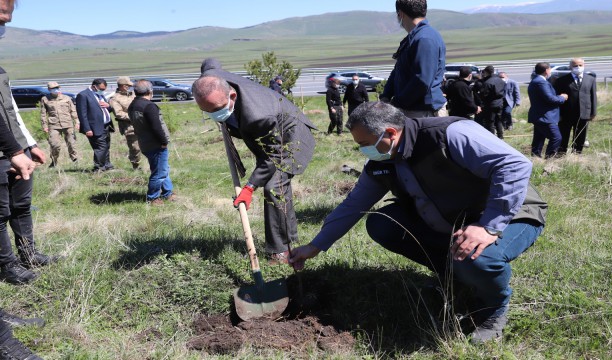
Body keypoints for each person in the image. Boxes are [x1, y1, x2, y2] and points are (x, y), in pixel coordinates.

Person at [289, 101, 547, 343]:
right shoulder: (383, 160)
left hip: (511, 214)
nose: (362, 150)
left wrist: (489, 225)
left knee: (476, 258)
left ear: (390, 132)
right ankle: (454, 276)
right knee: (382, 222)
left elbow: (514, 164)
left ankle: (493, 307)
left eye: (365, 143)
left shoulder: (449, 134)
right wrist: (317, 245)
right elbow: (354, 204)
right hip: (453, 220)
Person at [195, 58, 316, 264]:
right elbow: (211, 63)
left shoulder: (258, 116)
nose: (215, 114)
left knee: (274, 187)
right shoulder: (210, 79)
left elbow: (273, 155)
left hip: (289, 137)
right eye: (209, 111)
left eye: (218, 108)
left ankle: (282, 250)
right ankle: (285, 239)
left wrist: (250, 187)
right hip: (267, 135)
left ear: (232, 95)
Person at [0, 1, 49, 357]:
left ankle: (28, 255)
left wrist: (27, 144)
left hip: (11, 149)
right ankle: (9, 266)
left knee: (21, 206)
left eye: (7, 21)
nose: (3, 27)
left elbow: (10, 109)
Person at [380, 0, 446, 118]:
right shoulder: (414, 37)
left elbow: (422, 80)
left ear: (400, 14)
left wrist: (397, 102)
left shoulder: (425, 38)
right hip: (412, 109)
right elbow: (398, 70)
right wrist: (386, 95)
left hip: (423, 112)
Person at [128, 80, 174, 205]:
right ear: (150, 91)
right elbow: (156, 127)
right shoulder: (149, 106)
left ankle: (168, 193)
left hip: (144, 142)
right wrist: (163, 141)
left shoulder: (133, 105)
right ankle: (153, 198)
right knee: (159, 173)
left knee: (162, 169)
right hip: (155, 143)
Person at [553, 58, 597, 155]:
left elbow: (593, 96)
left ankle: (577, 154)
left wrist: (593, 112)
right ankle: (561, 153)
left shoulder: (590, 79)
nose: (578, 67)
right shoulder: (561, 80)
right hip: (566, 114)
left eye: (580, 65)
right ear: (570, 67)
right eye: (575, 65)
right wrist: (557, 114)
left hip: (583, 113)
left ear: (584, 65)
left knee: (580, 135)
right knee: (564, 135)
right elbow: (556, 98)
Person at [528, 62, 568, 158]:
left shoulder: (535, 81)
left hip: (539, 116)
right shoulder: (541, 82)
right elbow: (550, 98)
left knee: (539, 139)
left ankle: (535, 158)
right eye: (550, 69)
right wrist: (562, 97)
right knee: (556, 137)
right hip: (544, 116)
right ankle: (549, 158)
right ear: (547, 70)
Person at [76, 78, 115, 172]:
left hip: (105, 125)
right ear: (94, 86)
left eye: (104, 89)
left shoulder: (99, 95)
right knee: (100, 147)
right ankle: (98, 168)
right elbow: (82, 114)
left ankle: (107, 164)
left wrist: (108, 106)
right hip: (93, 127)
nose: (102, 91)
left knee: (106, 145)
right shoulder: (83, 95)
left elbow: (105, 109)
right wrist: (87, 129)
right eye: (101, 89)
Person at [40, 81, 79, 167]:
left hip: (67, 124)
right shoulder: (45, 99)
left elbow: (73, 110)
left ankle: (75, 160)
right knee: (55, 145)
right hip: (54, 125)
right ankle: (54, 161)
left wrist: (77, 122)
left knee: (71, 143)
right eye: (53, 88)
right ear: (49, 89)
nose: (55, 89)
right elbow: (43, 114)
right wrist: (44, 126)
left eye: (57, 88)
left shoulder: (67, 98)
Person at [109, 76, 141, 170]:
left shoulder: (133, 94)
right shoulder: (115, 99)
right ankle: (136, 166)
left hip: (141, 124)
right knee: (135, 147)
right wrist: (133, 117)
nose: (129, 87)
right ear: (123, 86)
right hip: (129, 126)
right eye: (127, 85)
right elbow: (118, 114)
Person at [477, 66, 505, 139]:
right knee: (498, 120)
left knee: (490, 122)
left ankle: (492, 138)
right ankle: (500, 136)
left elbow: (483, 95)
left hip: (490, 104)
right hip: (500, 103)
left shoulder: (487, 82)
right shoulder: (500, 80)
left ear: (486, 72)